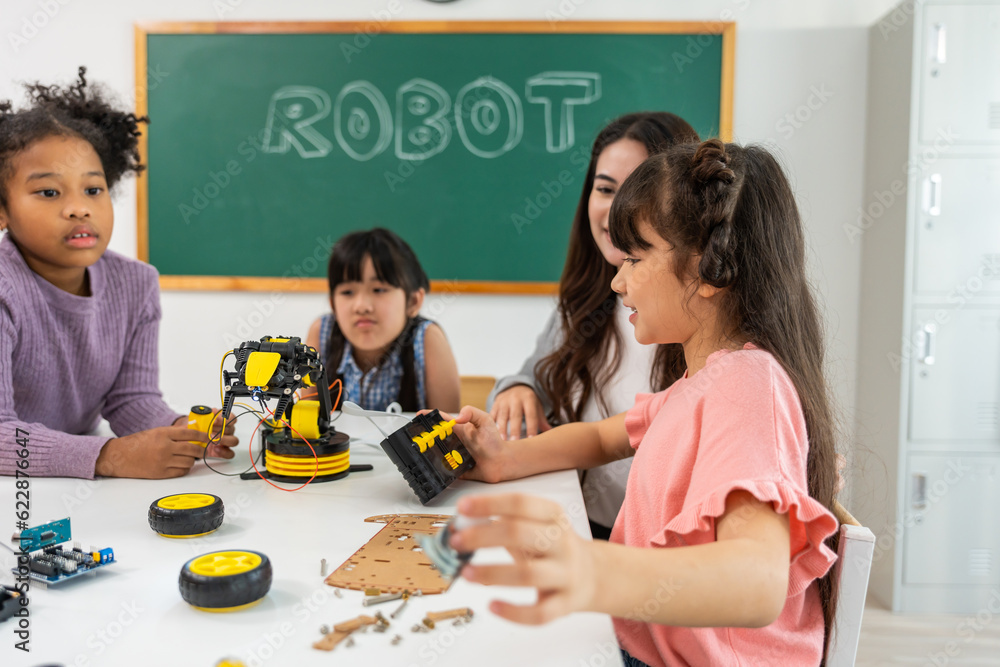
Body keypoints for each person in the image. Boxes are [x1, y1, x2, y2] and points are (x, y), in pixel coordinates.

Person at [449, 139, 841, 666]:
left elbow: (758, 581)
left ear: (708, 270)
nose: (617, 279)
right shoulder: (697, 384)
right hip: (646, 643)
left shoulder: (749, 386)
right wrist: (504, 460)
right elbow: (600, 437)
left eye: (635, 258)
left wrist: (593, 569)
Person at [0, 68, 237, 480]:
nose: (79, 208)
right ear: (2, 210)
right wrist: (109, 455)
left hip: (71, 484)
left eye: (93, 189)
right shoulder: (6, 290)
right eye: (49, 192)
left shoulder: (136, 284)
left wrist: (181, 431)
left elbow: (130, 400)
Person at [488, 112, 699, 539]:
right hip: (585, 525)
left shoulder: (702, 327)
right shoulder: (585, 303)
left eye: (638, 190)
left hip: (662, 544)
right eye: (604, 189)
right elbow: (543, 384)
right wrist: (518, 388)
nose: (615, 209)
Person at [305, 227, 460, 413]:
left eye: (378, 290)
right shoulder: (322, 333)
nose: (361, 306)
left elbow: (448, 433)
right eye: (347, 292)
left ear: (413, 301)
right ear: (333, 305)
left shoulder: (427, 339)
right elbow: (306, 417)